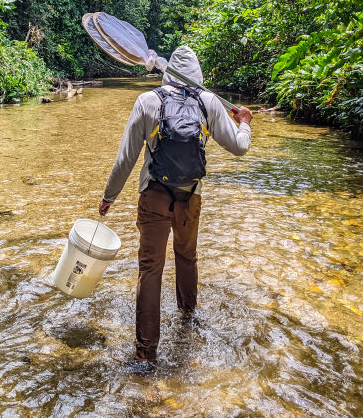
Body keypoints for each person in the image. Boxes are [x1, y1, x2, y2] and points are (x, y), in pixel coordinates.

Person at [98, 46, 253, 371]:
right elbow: (239, 147)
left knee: (150, 270)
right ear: (197, 74)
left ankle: (145, 356)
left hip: (153, 196)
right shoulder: (208, 102)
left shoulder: (147, 101)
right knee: (187, 257)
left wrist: (109, 196)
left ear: (168, 72)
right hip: (190, 197)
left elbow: (125, 158)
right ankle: (188, 318)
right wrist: (245, 123)